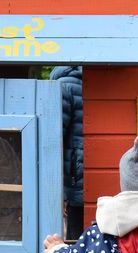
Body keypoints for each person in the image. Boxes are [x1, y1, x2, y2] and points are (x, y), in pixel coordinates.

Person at [49, 66, 84, 240]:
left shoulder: (63, 86)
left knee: (75, 239)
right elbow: (53, 140)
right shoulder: (67, 86)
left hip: (76, 179)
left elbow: (51, 140)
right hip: (78, 179)